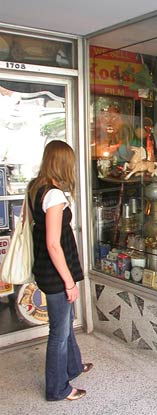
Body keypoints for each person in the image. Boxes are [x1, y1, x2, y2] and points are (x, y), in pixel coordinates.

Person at [28, 140, 92, 401]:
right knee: (59, 332)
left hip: (45, 268)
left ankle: (74, 366)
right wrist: (69, 282)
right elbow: (54, 244)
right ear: (64, 164)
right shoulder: (53, 195)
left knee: (65, 322)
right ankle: (57, 388)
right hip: (55, 272)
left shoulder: (35, 187)